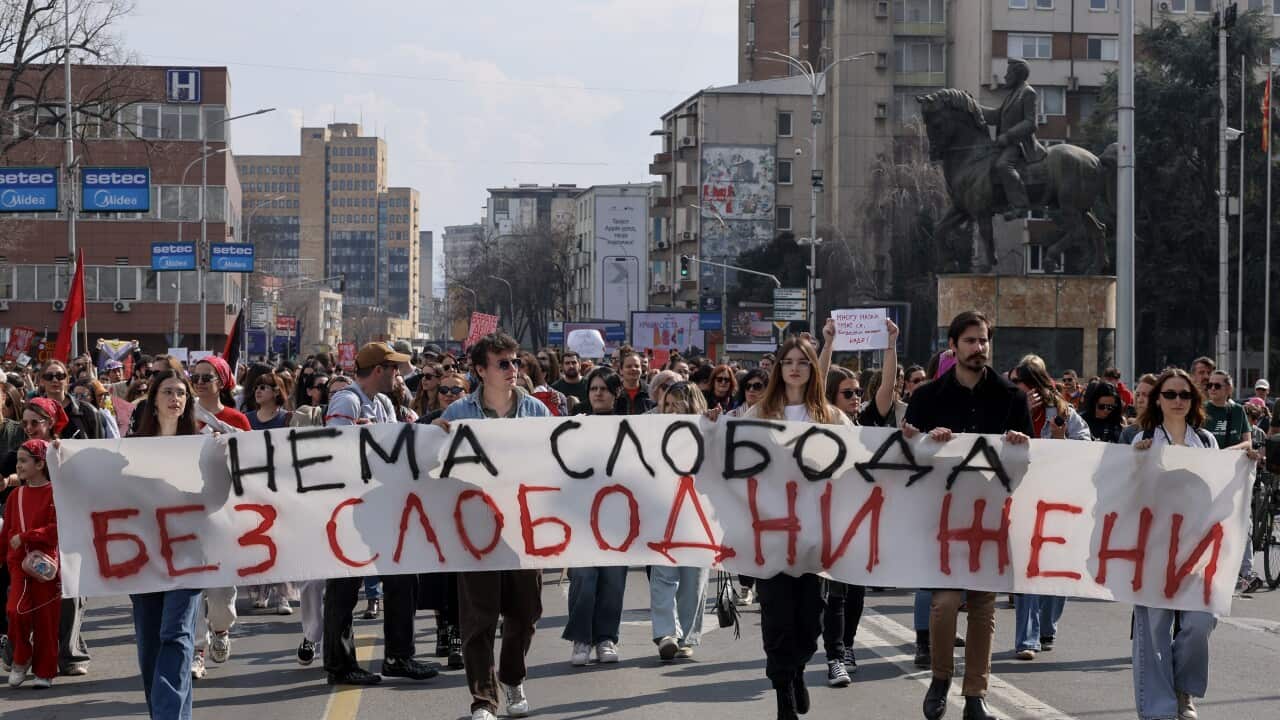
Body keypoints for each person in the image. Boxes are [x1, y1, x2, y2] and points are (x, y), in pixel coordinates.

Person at [904, 310, 1033, 720]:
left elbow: (1030, 463)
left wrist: (1020, 444)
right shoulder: (928, 397)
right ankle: (941, 677)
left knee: (982, 608)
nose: (979, 348)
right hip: (941, 520)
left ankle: (976, 695)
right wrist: (927, 442)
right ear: (953, 346)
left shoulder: (1011, 398)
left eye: (984, 340)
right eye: (970, 341)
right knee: (943, 604)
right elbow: (908, 458)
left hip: (991, 518)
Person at [433, 332, 549, 720]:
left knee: (525, 613)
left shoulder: (536, 411)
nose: (513, 369)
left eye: (516, 362)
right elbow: (425, 461)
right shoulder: (457, 414)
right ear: (481, 371)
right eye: (503, 363)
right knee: (479, 617)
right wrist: (435, 440)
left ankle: (512, 678)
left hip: (523, 529)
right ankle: (483, 699)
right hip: (475, 531)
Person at [1129, 368, 1256, 720]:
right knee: (1154, 631)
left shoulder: (1206, 441)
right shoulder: (1141, 439)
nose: (1178, 401)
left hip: (1199, 549)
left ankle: (1184, 689)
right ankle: (1158, 708)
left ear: (1193, 400)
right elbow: (1122, 493)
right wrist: (1135, 463)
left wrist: (1242, 467)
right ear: (1158, 400)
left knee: (1201, 623)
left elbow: (1220, 488)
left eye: (1184, 394)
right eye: (1170, 394)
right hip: (1153, 549)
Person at [740, 336, 851, 719]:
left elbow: (858, 458)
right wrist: (711, 427)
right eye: (788, 361)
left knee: (809, 621)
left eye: (803, 362)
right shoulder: (760, 413)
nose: (794, 368)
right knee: (777, 618)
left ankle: (798, 667)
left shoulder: (830, 416)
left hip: (813, 539)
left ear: (813, 369)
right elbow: (730, 452)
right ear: (779, 368)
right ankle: (783, 692)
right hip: (770, 536)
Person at [322, 342, 438, 687]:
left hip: (385, 506)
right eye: (393, 368)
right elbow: (333, 449)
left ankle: (399, 656)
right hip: (352, 507)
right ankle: (340, 664)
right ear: (378, 370)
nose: (398, 375)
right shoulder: (347, 401)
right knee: (345, 585)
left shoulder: (384, 403)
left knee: (403, 578)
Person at [127, 370, 206, 719]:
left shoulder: (203, 446)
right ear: (154, 400)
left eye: (182, 393)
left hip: (189, 555)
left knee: (176, 635)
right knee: (150, 646)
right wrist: (62, 457)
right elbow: (101, 485)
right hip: (143, 557)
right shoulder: (131, 449)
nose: (176, 398)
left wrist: (223, 454)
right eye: (168, 392)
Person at [562, 367, 627, 667]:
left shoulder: (631, 427)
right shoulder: (576, 426)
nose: (598, 393)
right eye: (593, 389)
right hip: (581, 516)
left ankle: (606, 639)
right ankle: (581, 639)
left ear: (616, 393)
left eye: (604, 389)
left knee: (613, 580)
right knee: (583, 577)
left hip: (619, 517)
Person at [649, 381, 713, 664]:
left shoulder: (710, 430)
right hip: (663, 512)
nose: (672, 409)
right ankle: (666, 634)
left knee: (693, 579)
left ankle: (686, 637)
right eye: (668, 404)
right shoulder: (652, 430)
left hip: (699, 516)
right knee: (663, 576)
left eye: (679, 404)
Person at [290, 374, 350, 668]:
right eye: (333, 393)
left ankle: (336, 643)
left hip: (348, 512)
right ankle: (312, 634)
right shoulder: (308, 417)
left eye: (346, 393)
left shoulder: (363, 423)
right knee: (312, 580)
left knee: (343, 583)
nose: (339, 398)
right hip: (312, 510)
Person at [3, 438, 59, 689]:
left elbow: (56, 530)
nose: (19, 466)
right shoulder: (16, 495)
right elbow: (7, 532)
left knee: (46, 619)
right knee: (15, 611)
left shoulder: (55, 493)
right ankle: (21, 658)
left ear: (40, 464)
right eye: (18, 461)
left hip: (45, 565)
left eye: (24, 461)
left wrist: (27, 536)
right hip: (19, 564)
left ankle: (45, 670)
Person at [981, 58, 1044, 220]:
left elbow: (1031, 123)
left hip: (1019, 145)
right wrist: (973, 107)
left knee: (1003, 165)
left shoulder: (1028, 93)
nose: (1005, 76)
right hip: (1005, 145)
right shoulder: (1012, 95)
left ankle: (1020, 205)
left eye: (1008, 73)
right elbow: (996, 116)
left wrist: (1008, 136)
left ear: (1017, 74)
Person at [1121, 373, 1159, 445]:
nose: (1139, 400)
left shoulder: (1169, 430)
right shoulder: (1128, 433)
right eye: (1137, 395)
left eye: (1145, 395)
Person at [614, 348, 654, 415]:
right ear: (621, 370)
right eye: (629, 366)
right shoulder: (613, 393)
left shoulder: (652, 393)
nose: (633, 369)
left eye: (637, 366)